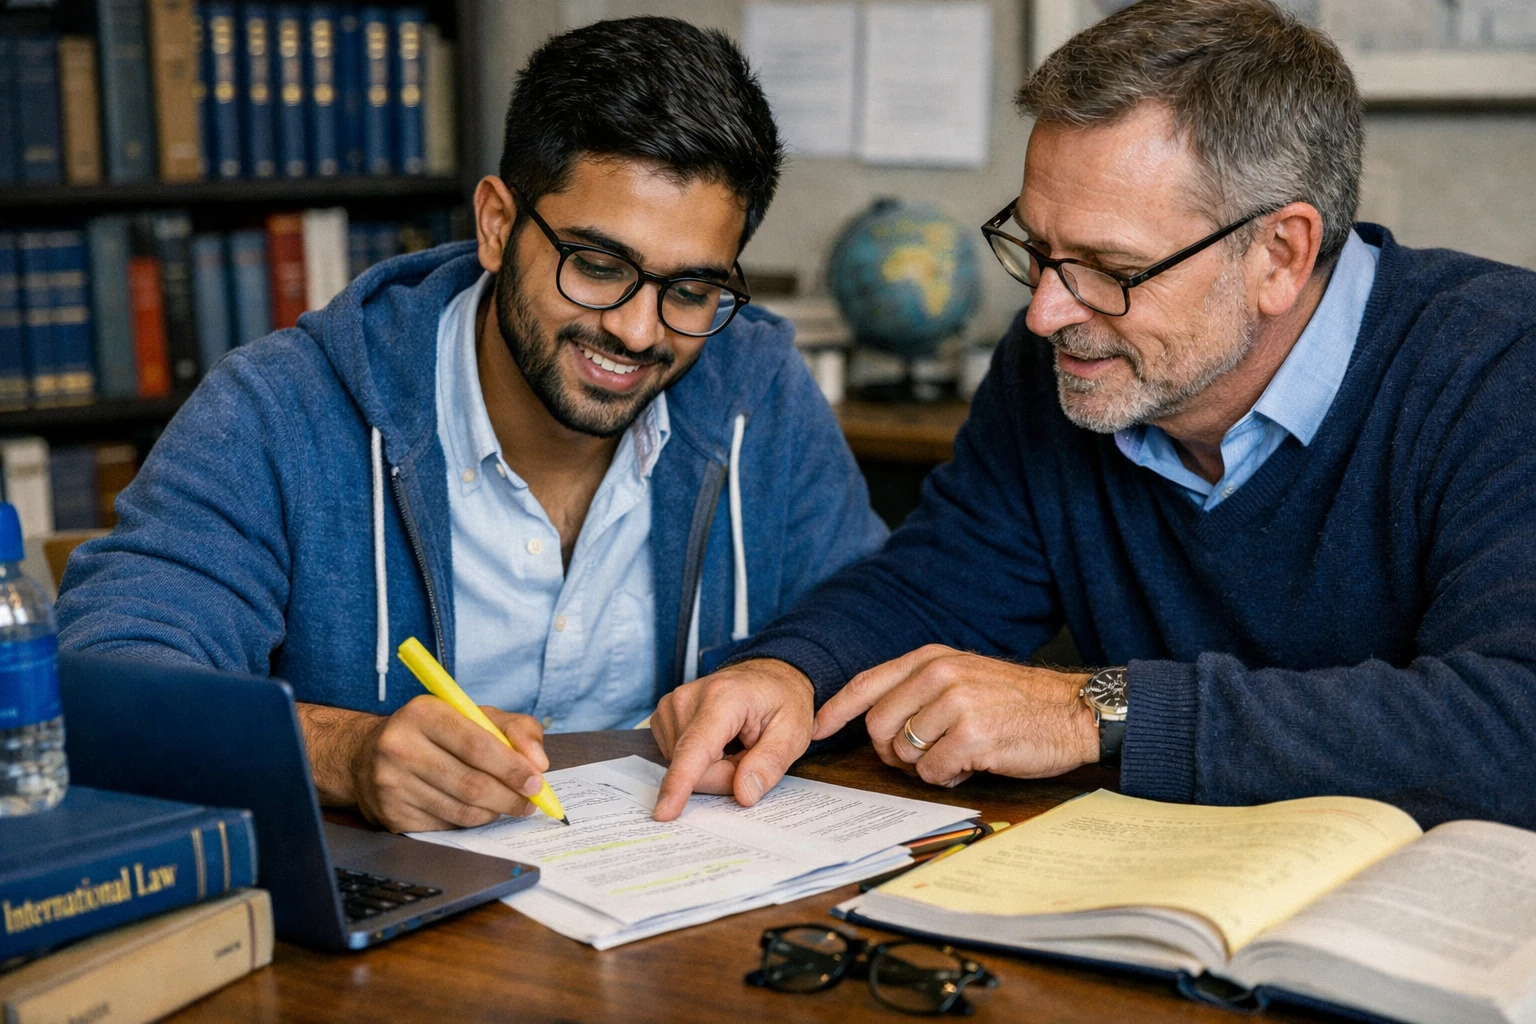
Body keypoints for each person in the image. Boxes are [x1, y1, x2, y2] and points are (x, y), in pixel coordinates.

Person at [650, 0, 1536, 830]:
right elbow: (938, 585)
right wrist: (791, 667)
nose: (1045, 312)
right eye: (1036, 249)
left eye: (1110, 267)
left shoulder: (1500, 365)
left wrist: (1096, 710)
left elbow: (1512, 725)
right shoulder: (1064, 362)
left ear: (1281, 253)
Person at [55, 17, 886, 833]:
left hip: (680, 914)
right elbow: (101, 680)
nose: (638, 331)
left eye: (692, 290)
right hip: (388, 945)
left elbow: (874, 623)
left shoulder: (758, 388)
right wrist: (346, 752)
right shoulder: (279, 409)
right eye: (597, 267)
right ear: (497, 225)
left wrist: (794, 674)